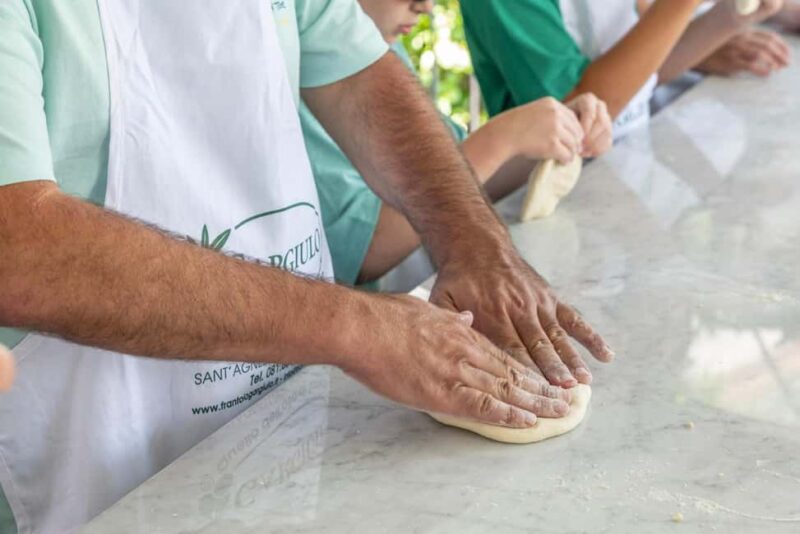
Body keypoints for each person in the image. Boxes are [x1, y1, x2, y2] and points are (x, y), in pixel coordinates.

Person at [0, 0, 613, 531]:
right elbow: (19, 248)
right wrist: (358, 326)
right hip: (84, 460)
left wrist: (477, 244)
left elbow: (363, 81)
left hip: (283, 432)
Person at [306, 0, 614, 286]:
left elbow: (467, 185)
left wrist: (558, 134)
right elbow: (363, 250)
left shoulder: (385, 49)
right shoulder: (304, 86)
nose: (425, 6)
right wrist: (500, 139)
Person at [459, 0, 785, 140]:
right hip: (549, 196)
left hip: (632, 157)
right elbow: (580, 113)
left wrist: (729, 18)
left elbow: (643, 72)